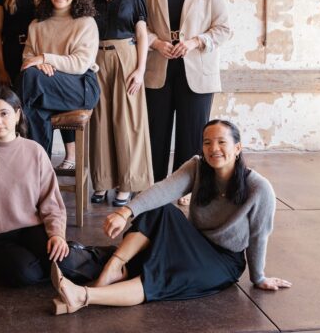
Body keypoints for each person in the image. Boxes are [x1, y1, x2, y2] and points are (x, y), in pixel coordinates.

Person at [50, 120, 292, 315]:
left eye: (222, 142)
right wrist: (125, 211)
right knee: (159, 208)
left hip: (223, 262)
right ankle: (113, 268)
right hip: (193, 242)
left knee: (160, 273)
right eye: (207, 143)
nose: (213, 149)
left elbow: (259, 236)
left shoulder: (258, 188)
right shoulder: (198, 166)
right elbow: (162, 190)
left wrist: (258, 277)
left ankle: (85, 295)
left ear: (237, 148)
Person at [0, 87, 113, 287]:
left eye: (4, 114)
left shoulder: (35, 151)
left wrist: (57, 235)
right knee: (26, 274)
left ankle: (100, 257)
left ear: (17, 114)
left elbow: (51, 201)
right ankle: (64, 263)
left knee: (64, 261)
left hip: (31, 228)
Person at [143, 0, 232, 187]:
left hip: (197, 71)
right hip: (159, 69)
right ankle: (155, 186)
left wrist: (195, 42)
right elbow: (139, 27)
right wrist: (156, 43)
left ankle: (187, 187)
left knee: (192, 133)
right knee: (156, 132)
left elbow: (224, 29)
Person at [89, 0, 153, 207]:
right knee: (100, 120)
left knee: (127, 122)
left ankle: (127, 184)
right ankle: (102, 181)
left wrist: (140, 70)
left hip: (126, 57)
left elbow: (142, 35)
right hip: (96, 59)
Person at [18, 0, 100, 158]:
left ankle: (12, 144)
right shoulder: (36, 24)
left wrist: (44, 58)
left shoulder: (86, 22)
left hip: (81, 87)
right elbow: (27, 59)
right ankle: (40, 165)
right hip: (44, 86)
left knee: (30, 79)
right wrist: (39, 64)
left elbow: (80, 63)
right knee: (35, 111)